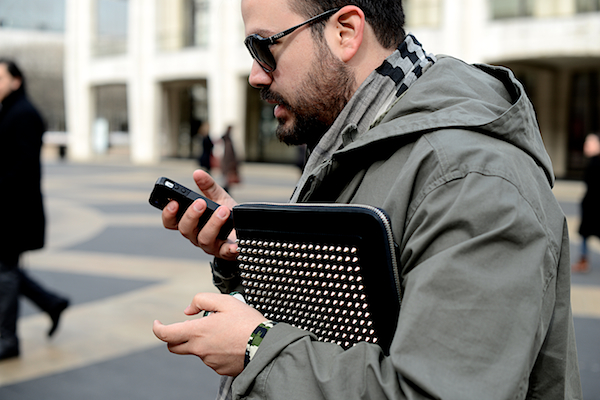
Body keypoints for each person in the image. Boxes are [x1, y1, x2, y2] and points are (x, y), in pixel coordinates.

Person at [153, 1, 582, 398]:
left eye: (264, 47)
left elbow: (434, 390)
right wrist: (247, 254)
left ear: (345, 31)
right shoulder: (356, 143)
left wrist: (256, 347)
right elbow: (344, 325)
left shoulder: (472, 179)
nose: (256, 74)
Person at [0, 59, 69, 361]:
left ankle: (7, 340)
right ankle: (51, 302)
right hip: (9, 208)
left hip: (13, 211)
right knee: (6, 269)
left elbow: (22, 168)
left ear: (16, 80)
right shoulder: (11, 111)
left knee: (5, 274)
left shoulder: (24, 114)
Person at [571, 132, 600, 273]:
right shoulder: (592, 163)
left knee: (585, 234)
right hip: (590, 206)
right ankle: (583, 260)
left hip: (593, 207)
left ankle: (583, 260)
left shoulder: (596, 164)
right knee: (584, 235)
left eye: (590, 143)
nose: (586, 146)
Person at [220, 125, 240, 193]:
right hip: (228, 164)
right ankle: (225, 191)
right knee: (227, 180)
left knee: (227, 180)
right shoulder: (228, 141)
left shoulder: (227, 141)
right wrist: (232, 164)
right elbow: (229, 155)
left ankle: (225, 191)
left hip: (227, 164)